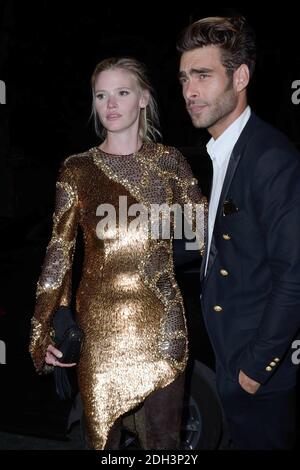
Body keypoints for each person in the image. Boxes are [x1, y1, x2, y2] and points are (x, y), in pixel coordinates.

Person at [29, 56, 207, 450]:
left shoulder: (169, 164)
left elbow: (202, 234)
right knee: (101, 440)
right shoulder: (77, 169)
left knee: (164, 444)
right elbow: (59, 253)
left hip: (163, 326)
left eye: (122, 93)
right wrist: (48, 324)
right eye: (101, 95)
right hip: (98, 329)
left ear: (143, 99)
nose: (110, 104)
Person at [177, 15, 300, 449]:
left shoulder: (269, 158)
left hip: (259, 377)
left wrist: (253, 370)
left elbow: (295, 275)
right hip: (230, 361)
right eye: (185, 78)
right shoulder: (224, 151)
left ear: (241, 76)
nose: (190, 91)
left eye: (204, 75)